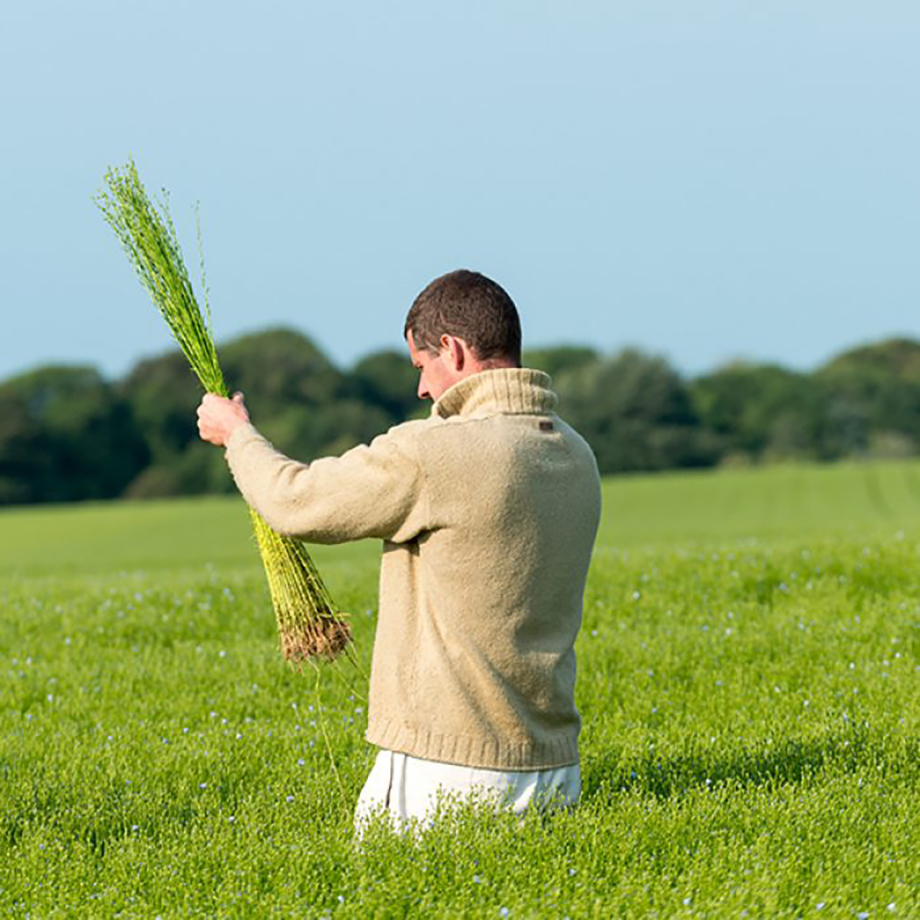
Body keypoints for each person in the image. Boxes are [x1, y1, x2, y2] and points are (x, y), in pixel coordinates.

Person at [196, 269, 602, 831]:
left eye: (421, 366)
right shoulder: (576, 453)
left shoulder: (435, 452)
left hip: (450, 769)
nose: (423, 390)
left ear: (453, 351)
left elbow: (293, 502)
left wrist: (237, 435)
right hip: (555, 771)